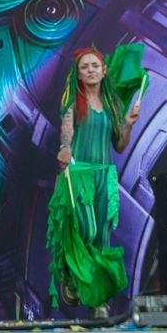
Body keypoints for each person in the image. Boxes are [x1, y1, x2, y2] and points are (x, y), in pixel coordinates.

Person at [50, 48, 140, 314]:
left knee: (102, 237)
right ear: (78, 74)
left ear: (104, 70)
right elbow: (67, 129)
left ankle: (99, 301)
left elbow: (120, 146)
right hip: (79, 173)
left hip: (105, 175)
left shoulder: (113, 106)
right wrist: (65, 147)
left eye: (94, 66)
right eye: (84, 67)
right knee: (86, 230)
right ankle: (70, 273)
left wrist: (129, 124)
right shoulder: (73, 102)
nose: (90, 70)